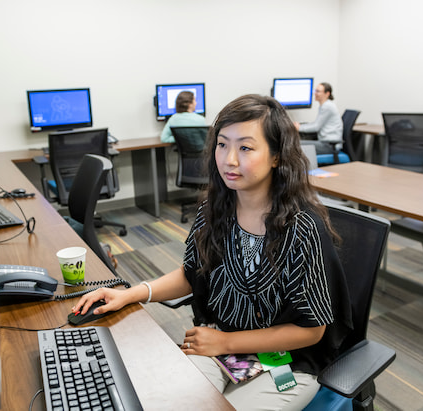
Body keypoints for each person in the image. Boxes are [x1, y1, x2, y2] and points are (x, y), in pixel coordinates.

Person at [73, 94, 352, 410]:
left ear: (277, 156)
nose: (229, 159)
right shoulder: (213, 211)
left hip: (287, 360)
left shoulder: (302, 228)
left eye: (245, 147)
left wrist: (227, 342)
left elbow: (312, 330)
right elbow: (193, 273)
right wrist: (131, 293)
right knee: (158, 401)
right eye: (222, 144)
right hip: (218, 344)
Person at [295, 82, 343, 155]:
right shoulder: (324, 105)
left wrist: (299, 128)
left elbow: (316, 127)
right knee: (298, 142)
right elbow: (316, 124)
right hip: (326, 143)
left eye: (318, 91)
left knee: (295, 144)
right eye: (315, 91)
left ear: (327, 94)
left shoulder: (327, 106)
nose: (315, 93)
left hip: (329, 145)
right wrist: (301, 126)